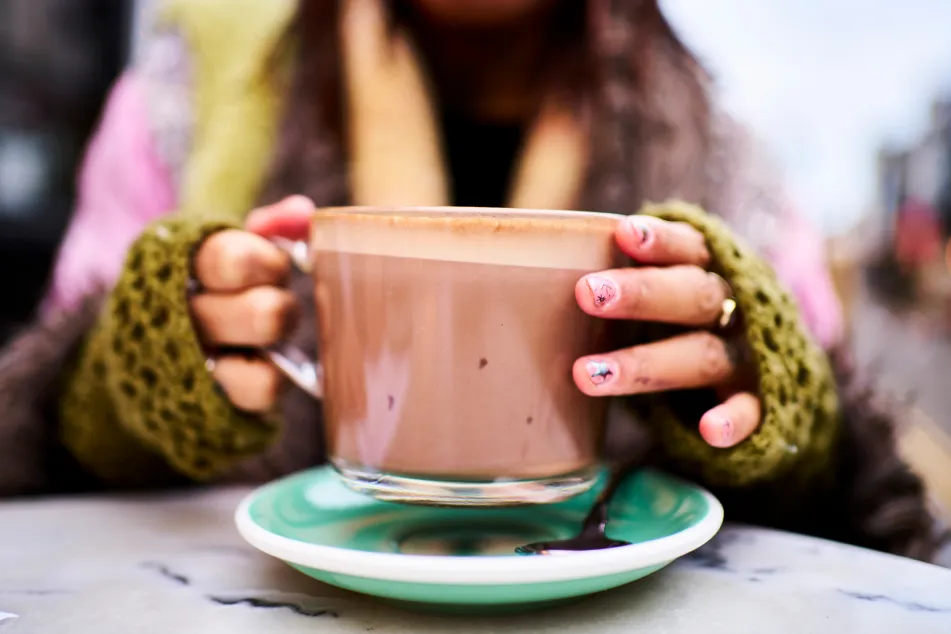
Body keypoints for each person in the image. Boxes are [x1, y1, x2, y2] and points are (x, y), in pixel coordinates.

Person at [0, 0, 946, 563]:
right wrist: (122, 385)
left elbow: (874, 521)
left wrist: (771, 410)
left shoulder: (728, 158)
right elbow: (25, 449)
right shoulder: (190, 102)